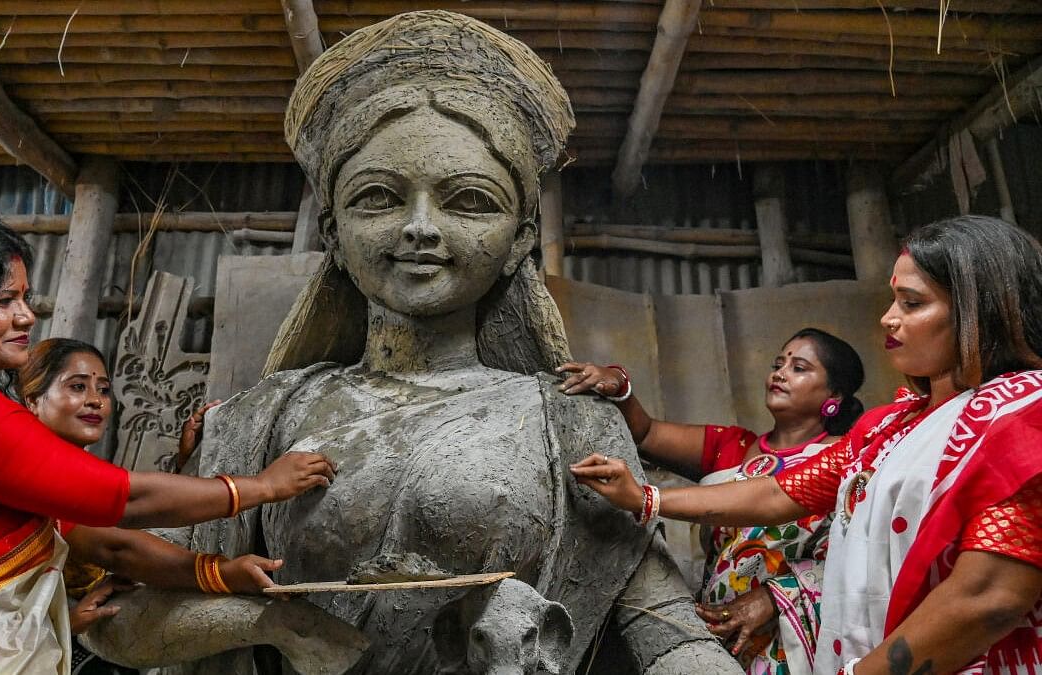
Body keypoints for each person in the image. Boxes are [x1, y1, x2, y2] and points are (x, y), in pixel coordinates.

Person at [84, 10, 739, 675]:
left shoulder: (569, 420)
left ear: (518, 238)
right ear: (334, 232)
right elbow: (114, 620)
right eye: (379, 197)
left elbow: (671, 638)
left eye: (468, 200)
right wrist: (274, 620)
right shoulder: (259, 418)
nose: (421, 228)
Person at [0, 212, 337, 674]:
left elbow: (103, 540)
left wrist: (219, 573)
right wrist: (261, 487)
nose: (26, 317)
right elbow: (119, 503)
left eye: (26, 299)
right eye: (3, 301)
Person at [571, 215, 1042, 675]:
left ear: (980, 310)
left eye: (912, 303)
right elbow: (779, 493)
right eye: (893, 299)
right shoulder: (890, 427)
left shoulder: (1022, 416)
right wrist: (645, 498)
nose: (888, 317)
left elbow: (988, 600)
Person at [559, 327, 865, 674]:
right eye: (778, 363)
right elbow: (645, 432)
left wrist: (774, 597)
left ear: (834, 394)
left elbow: (857, 556)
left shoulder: (845, 457)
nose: (779, 373)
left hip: (794, 637)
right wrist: (619, 385)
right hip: (712, 631)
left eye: (799, 368)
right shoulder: (731, 446)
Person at [16, 337, 227, 675]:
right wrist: (65, 624)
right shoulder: (27, 474)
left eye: (102, 390)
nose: (95, 401)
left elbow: (134, 520)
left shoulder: (80, 469)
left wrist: (186, 461)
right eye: (77, 387)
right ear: (33, 400)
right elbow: (117, 546)